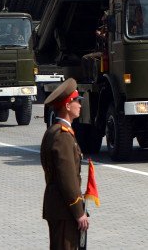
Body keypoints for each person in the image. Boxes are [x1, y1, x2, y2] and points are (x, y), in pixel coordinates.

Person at [40, 78, 88, 249]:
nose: (80, 105)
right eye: (77, 101)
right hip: (64, 209)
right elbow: (67, 177)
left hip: (58, 206)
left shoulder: (54, 131)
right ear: (68, 106)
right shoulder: (62, 136)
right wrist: (78, 212)